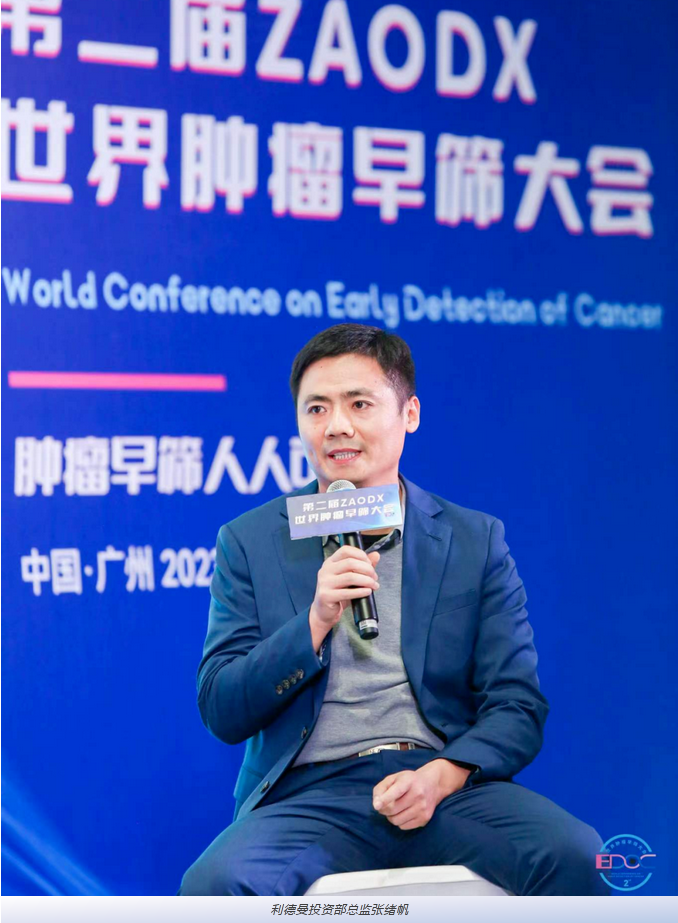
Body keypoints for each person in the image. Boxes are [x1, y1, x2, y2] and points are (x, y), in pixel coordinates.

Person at [179, 324, 609, 896]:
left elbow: (517, 704)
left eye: (359, 404)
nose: (337, 425)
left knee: (580, 856)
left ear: (410, 414)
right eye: (316, 409)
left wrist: (444, 776)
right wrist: (315, 622)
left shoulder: (473, 540)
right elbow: (222, 707)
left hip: (444, 783)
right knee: (215, 884)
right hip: (311, 796)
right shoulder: (251, 541)